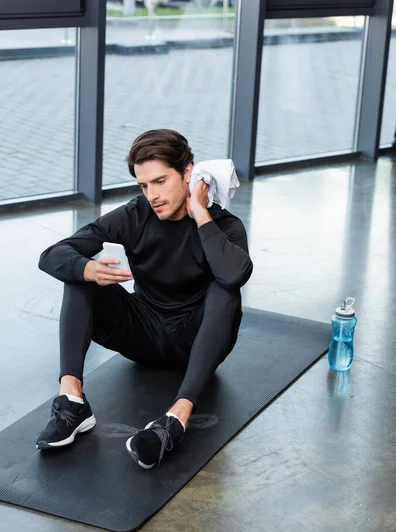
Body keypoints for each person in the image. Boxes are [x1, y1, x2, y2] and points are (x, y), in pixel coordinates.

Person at [37, 129, 253, 469]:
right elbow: (53, 253)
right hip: (144, 334)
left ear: (187, 173)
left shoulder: (222, 226)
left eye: (160, 181)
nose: (151, 195)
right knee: (79, 275)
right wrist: (87, 269)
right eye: (143, 185)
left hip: (196, 343)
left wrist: (199, 213)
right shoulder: (136, 214)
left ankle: (176, 418)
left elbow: (235, 275)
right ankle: (72, 400)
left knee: (224, 287)